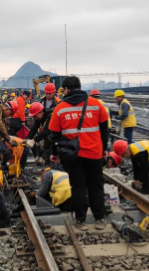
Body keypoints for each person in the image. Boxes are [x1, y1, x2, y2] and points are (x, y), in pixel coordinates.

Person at [49, 76, 109, 231]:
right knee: (96, 186)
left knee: (78, 187)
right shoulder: (96, 104)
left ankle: (80, 220)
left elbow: (54, 135)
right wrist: (104, 150)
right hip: (95, 153)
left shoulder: (60, 108)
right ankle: (100, 219)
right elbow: (104, 130)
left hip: (74, 156)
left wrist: (54, 153)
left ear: (66, 90)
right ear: (80, 87)